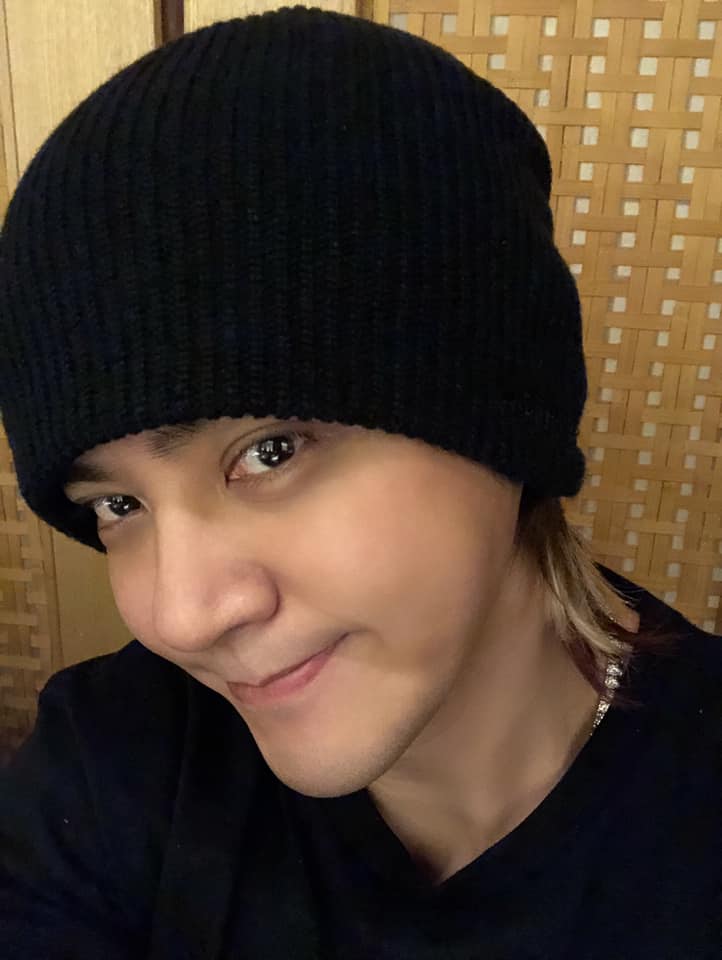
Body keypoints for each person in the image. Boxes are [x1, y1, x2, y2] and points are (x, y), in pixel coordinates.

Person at [0, 7, 719, 958]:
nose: (182, 617)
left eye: (270, 451)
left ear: (501, 411)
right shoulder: (115, 761)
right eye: (118, 505)